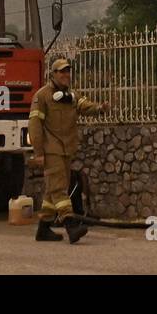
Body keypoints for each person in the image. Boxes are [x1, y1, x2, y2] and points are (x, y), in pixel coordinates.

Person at [28, 56, 107, 243]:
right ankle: (71, 226)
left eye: (67, 71)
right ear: (53, 74)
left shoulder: (71, 96)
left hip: (67, 149)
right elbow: (35, 125)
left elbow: (84, 106)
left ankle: (44, 229)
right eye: (61, 71)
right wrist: (38, 152)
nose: (66, 75)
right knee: (59, 189)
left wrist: (100, 108)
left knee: (53, 190)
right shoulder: (42, 96)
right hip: (51, 150)